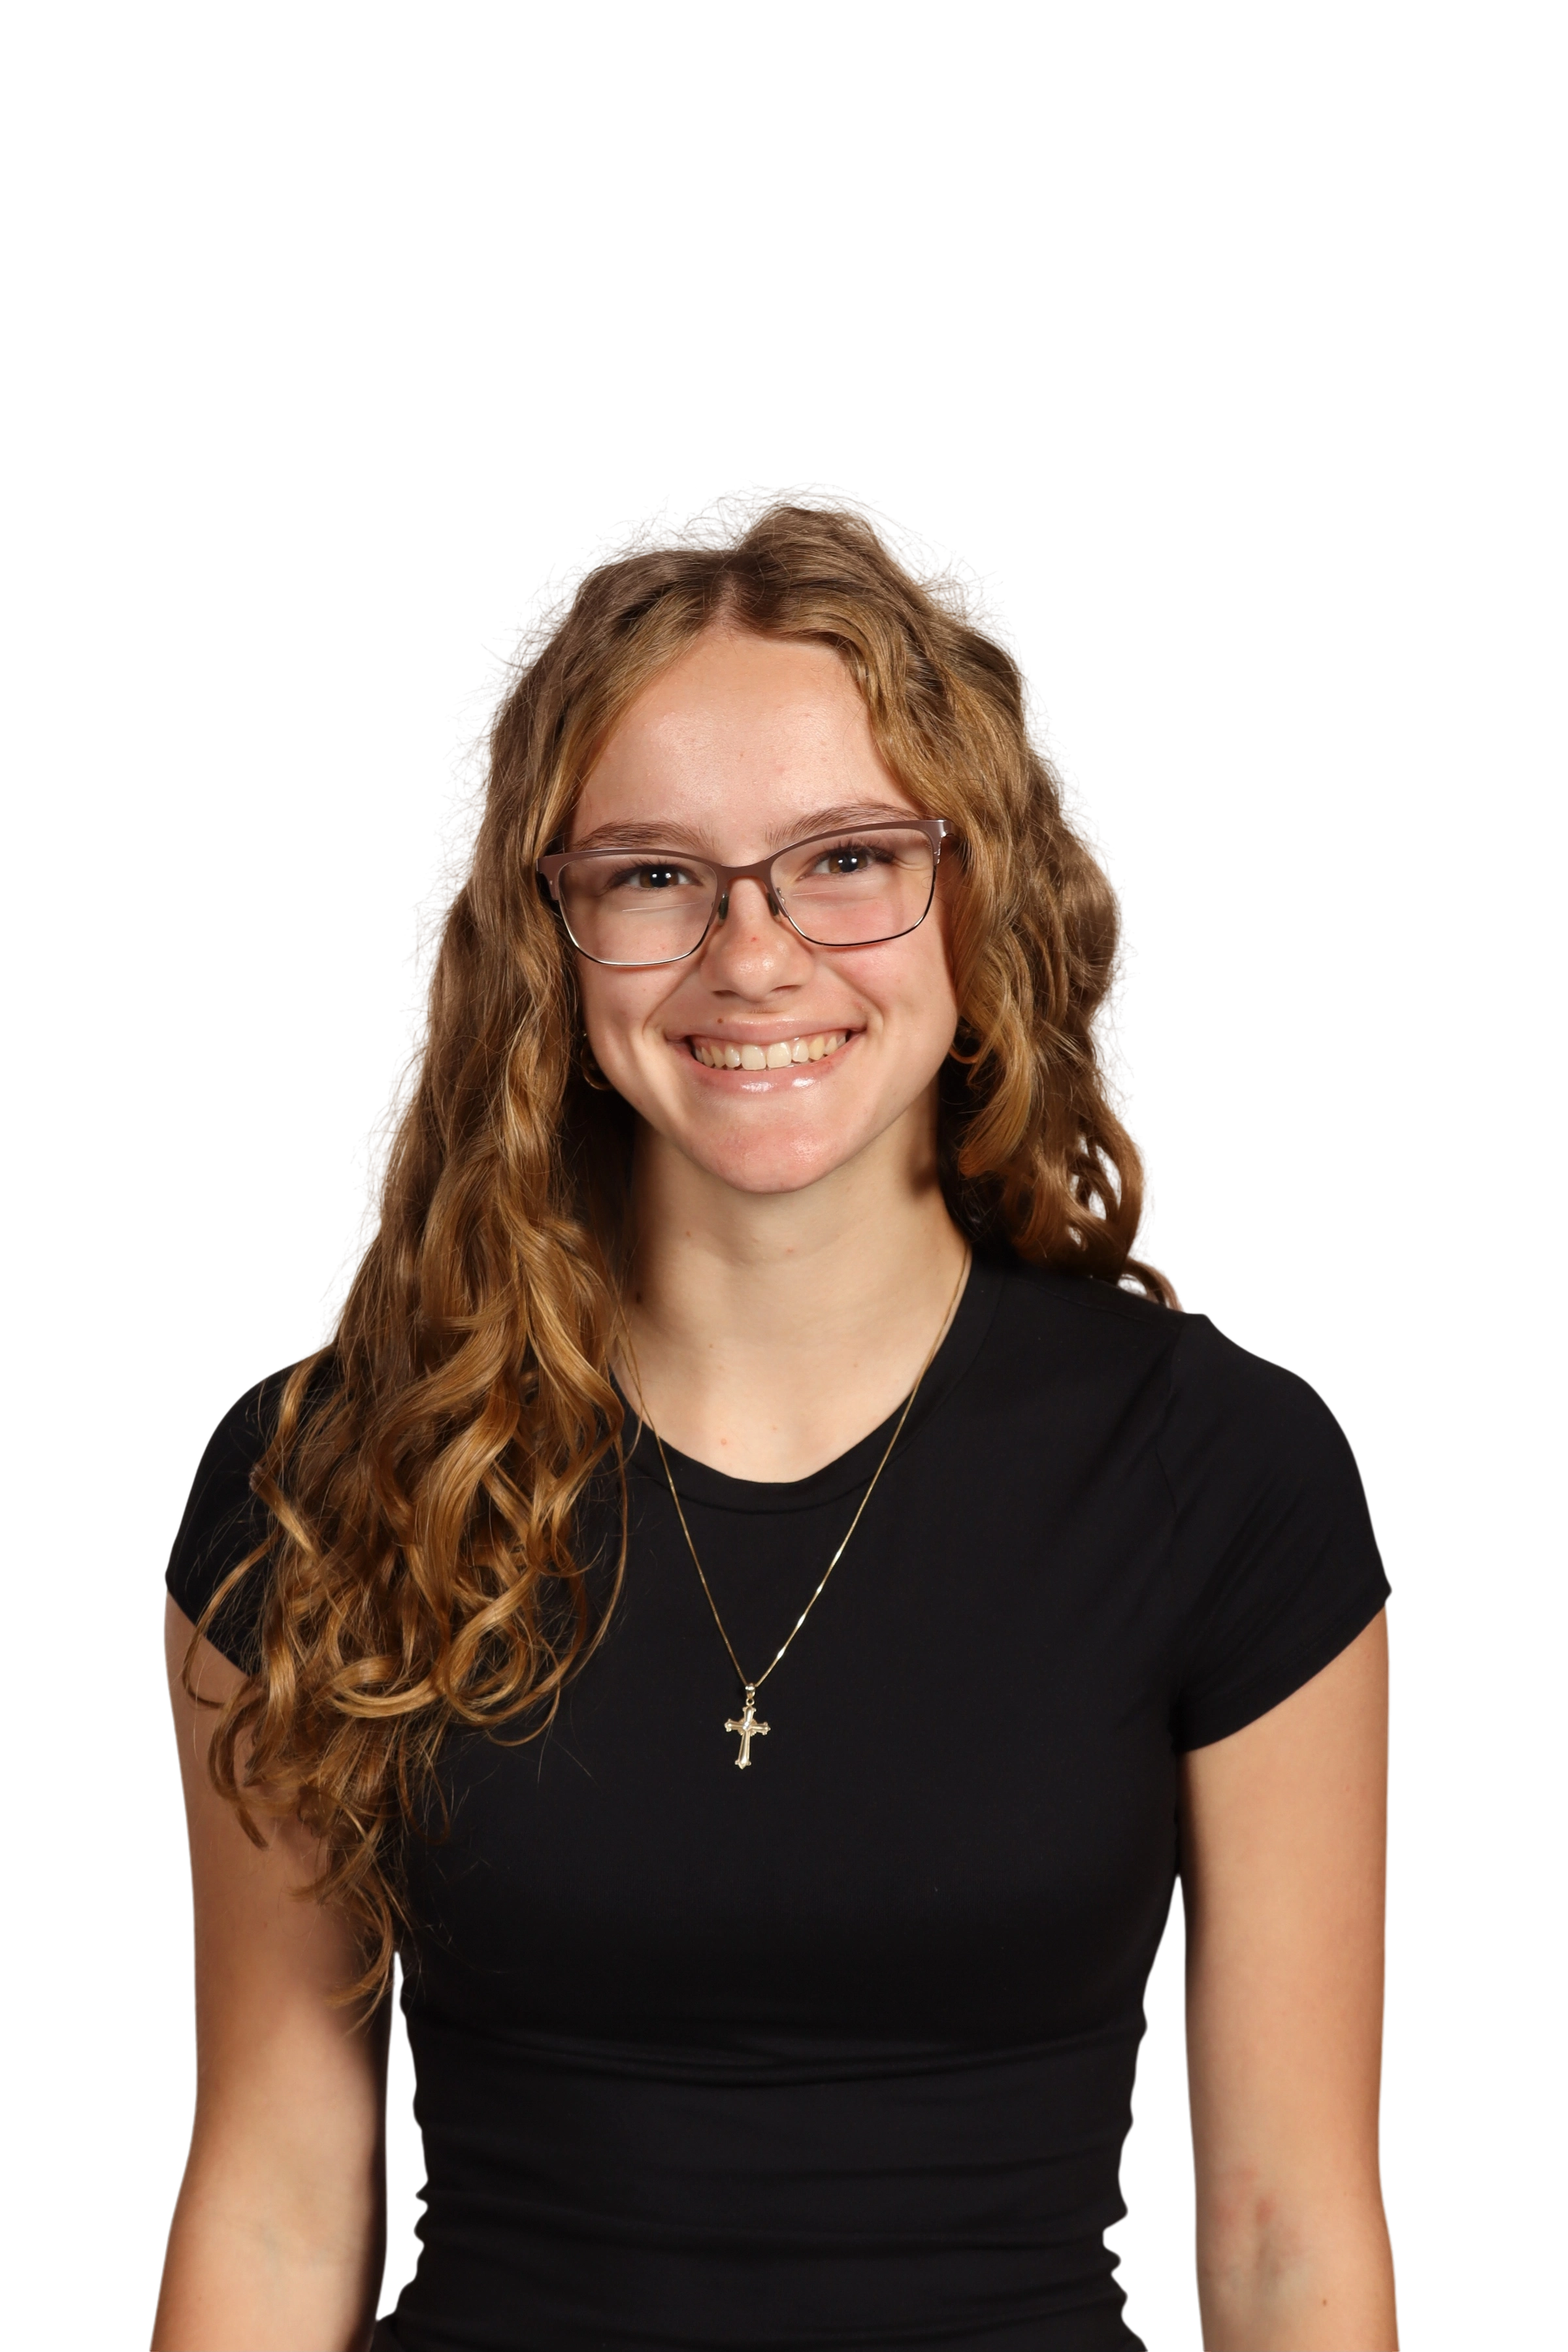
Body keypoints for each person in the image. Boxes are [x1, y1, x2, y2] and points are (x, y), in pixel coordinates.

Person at [154, 479, 1400, 2352]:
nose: (753, 957)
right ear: (546, 934)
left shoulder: (1228, 1476)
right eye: (654, 875)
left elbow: (1291, 2233)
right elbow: (272, 2195)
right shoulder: (318, 1478)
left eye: (848, 859)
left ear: (981, 889)